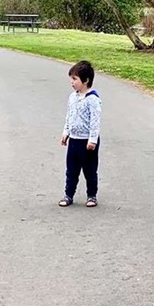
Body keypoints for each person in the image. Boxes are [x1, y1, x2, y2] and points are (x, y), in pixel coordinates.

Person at [59, 60, 101, 208]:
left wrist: (92, 140)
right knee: (71, 170)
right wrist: (66, 132)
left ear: (86, 80)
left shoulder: (93, 100)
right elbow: (69, 116)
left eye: (75, 79)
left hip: (87, 142)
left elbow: (95, 122)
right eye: (71, 78)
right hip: (74, 140)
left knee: (90, 170)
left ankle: (92, 196)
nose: (72, 82)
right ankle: (68, 195)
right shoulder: (72, 97)